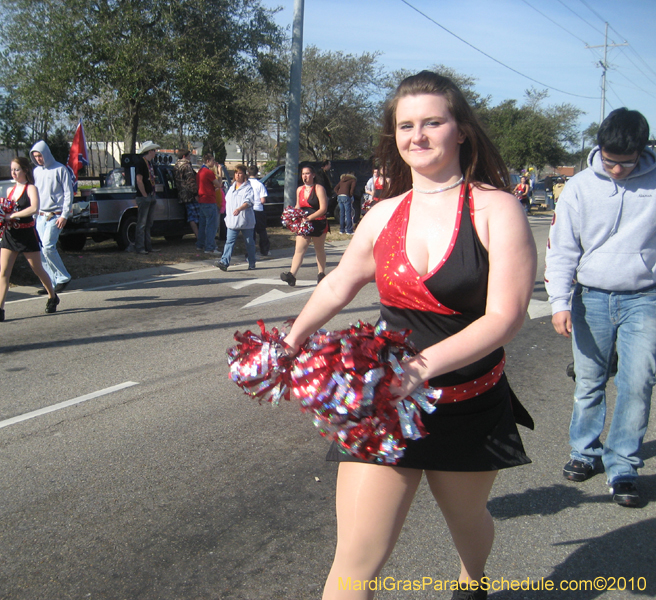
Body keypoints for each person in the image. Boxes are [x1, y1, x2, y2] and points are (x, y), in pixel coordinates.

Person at [281, 71, 536, 600]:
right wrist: (290, 340)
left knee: (468, 525)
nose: (417, 136)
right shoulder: (382, 213)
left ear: (461, 130)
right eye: (405, 126)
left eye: (432, 122)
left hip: (465, 400)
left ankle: (473, 579)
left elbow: (505, 317)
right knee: (354, 561)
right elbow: (338, 286)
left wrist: (416, 371)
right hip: (383, 402)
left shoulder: (495, 208)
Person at [545, 107, 656, 508]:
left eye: (626, 163)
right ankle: (585, 452)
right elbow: (562, 248)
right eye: (610, 161)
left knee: (637, 382)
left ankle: (623, 463)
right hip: (590, 297)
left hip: (644, 298)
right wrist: (559, 302)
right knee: (589, 380)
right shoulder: (579, 187)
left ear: (642, 152)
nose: (617, 170)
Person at [0, 157, 59, 321]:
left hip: (26, 234)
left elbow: (34, 208)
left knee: (37, 268)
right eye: (12, 170)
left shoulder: (31, 188)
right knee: (3, 271)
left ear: (25, 170)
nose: (14, 173)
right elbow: (4, 209)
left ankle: (52, 296)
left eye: (17, 169)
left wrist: (13, 215)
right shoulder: (10, 189)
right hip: (10, 234)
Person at [29, 141, 73, 294]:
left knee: (48, 246)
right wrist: (34, 215)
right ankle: (50, 282)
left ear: (46, 153)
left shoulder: (60, 169)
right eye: (35, 157)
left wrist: (64, 215)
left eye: (40, 155)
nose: (38, 159)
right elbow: (35, 193)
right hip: (40, 216)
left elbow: (68, 193)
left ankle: (63, 277)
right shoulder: (36, 172)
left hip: (55, 215)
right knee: (40, 250)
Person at [280, 165, 329, 286]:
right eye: (303, 174)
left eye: (307, 174)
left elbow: (323, 208)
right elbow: (298, 206)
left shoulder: (319, 188)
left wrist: (309, 218)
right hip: (304, 224)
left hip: (318, 222)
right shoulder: (299, 190)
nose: (305, 176)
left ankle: (321, 273)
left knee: (319, 249)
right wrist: (292, 216)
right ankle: (292, 275)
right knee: (299, 249)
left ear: (313, 175)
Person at [214, 164, 256, 271]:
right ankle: (224, 262)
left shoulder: (248, 188)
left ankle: (252, 262)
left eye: (240, 173)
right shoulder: (231, 188)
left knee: (249, 243)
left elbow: (248, 202)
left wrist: (239, 209)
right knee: (229, 242)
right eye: (236, 173)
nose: (238, 175)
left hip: (245, 221)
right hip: (232, 221)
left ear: (244, 175)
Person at [134, 141, 161, 255]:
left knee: (148, 223)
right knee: (142, 223)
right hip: (144, 196)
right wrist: (144, 194)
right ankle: (140, 247)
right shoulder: (141, 163)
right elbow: (139, 180)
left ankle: (148, 246)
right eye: (154, 150)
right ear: (150, 151)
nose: (155, 152)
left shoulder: (150, 163)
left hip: (151, 194)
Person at [196, 153, 221, 254]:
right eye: (212, 160)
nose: (214, 163)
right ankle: (210, 247)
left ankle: (200, 244)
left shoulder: (200, 172)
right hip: (209, 200)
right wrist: (219, 173)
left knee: (202, 224)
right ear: (207, 161)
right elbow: (219, 184)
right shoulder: (208, 172)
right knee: (211, 225)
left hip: (202, 200)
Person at [174, 148, 200, 239]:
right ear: (184, 156)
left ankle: (198, 236)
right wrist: (196, 194)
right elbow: (191, 181)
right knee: (195, 216)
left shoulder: (176, 166)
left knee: (190, 215)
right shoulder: (187, 166)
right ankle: (199, 236)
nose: (190, 158)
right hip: (190, 195)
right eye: (189, 156)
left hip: (182, 194)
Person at [248, 165, 270, 256]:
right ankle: (264, 250)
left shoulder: (246, 184)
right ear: (257, 173)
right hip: (258, 209)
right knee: (261, 231)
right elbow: (263, 200)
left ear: (248, 173)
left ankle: (250, 251)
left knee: (250, 231)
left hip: (248, 209)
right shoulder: (260, 184)